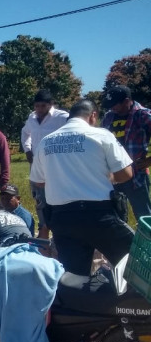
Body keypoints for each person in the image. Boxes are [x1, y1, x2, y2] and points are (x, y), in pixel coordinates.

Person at [30, 99, 135, 276]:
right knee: (135, 263)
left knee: (74, 276)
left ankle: (78, 302)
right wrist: (109, 177)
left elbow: (38, 181)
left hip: (62, 218)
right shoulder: (101, 135)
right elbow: (126, 173)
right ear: (93, 116)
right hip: (99, 216)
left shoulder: (46, 142)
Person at [20, 89, 69, 239]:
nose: (39, 109)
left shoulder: (63, 117)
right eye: (36, 106)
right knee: (40, 200)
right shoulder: (32, 118)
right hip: (36, 166)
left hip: (56, 167)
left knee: (58, 199)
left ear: (51, 104)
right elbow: (25, 133)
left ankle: (61, 233)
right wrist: (27, 149)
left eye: (43, 106)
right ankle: (43, 233)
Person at [102, 84, 151, 220]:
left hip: (136, 175)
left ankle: (147, 241)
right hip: (112, 174)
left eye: (115, 104)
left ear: (127, 101)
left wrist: (148, 161)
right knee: (116, 215)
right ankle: (123, 241)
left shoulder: (143, 115)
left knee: (144, 216)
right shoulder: (108, 117)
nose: (112, 107)